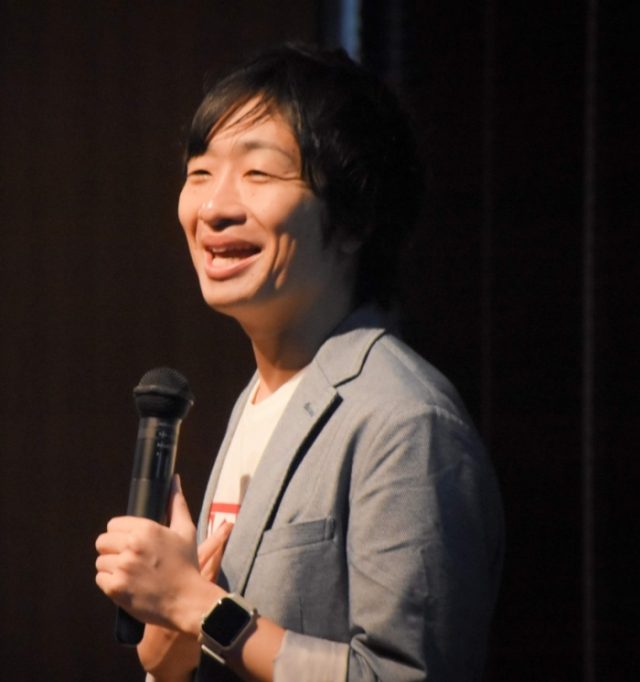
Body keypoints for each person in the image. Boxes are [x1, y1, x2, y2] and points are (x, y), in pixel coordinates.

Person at [94, 43, 504, 682]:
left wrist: (197, 606)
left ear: (353, 218)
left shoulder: (405, 421)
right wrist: (171, 646)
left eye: (258, 174)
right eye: (200, 173)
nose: (213, 207)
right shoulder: (259, 397)